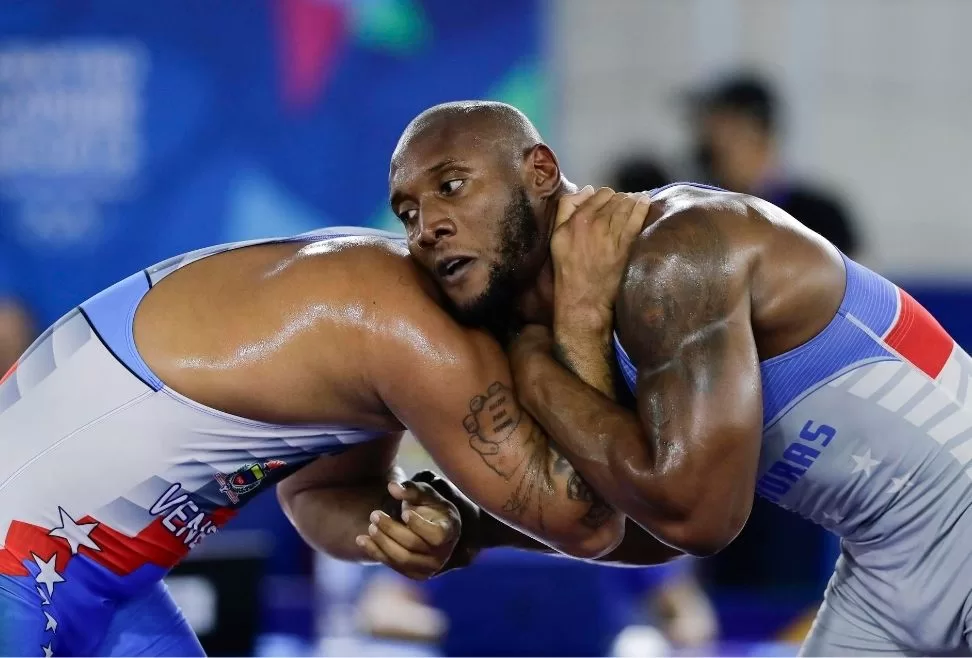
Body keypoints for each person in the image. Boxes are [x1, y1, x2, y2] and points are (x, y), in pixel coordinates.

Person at [374, 100, 972, 655]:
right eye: (408, 213)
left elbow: (701, 516)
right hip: (884, 572)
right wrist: (478, 531)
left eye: (451, 186)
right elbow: (650, 529)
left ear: (541, 170)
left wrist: (539, 372)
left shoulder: (675, 255)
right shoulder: (550, 323)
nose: (427, 226)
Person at [0, 217, 686, 656]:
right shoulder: (420, 339)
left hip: (92, 581)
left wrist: (413, 524)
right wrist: (474, 528)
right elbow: (594, 527)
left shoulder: (386, 326)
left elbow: (321, 499)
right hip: (22, 568)